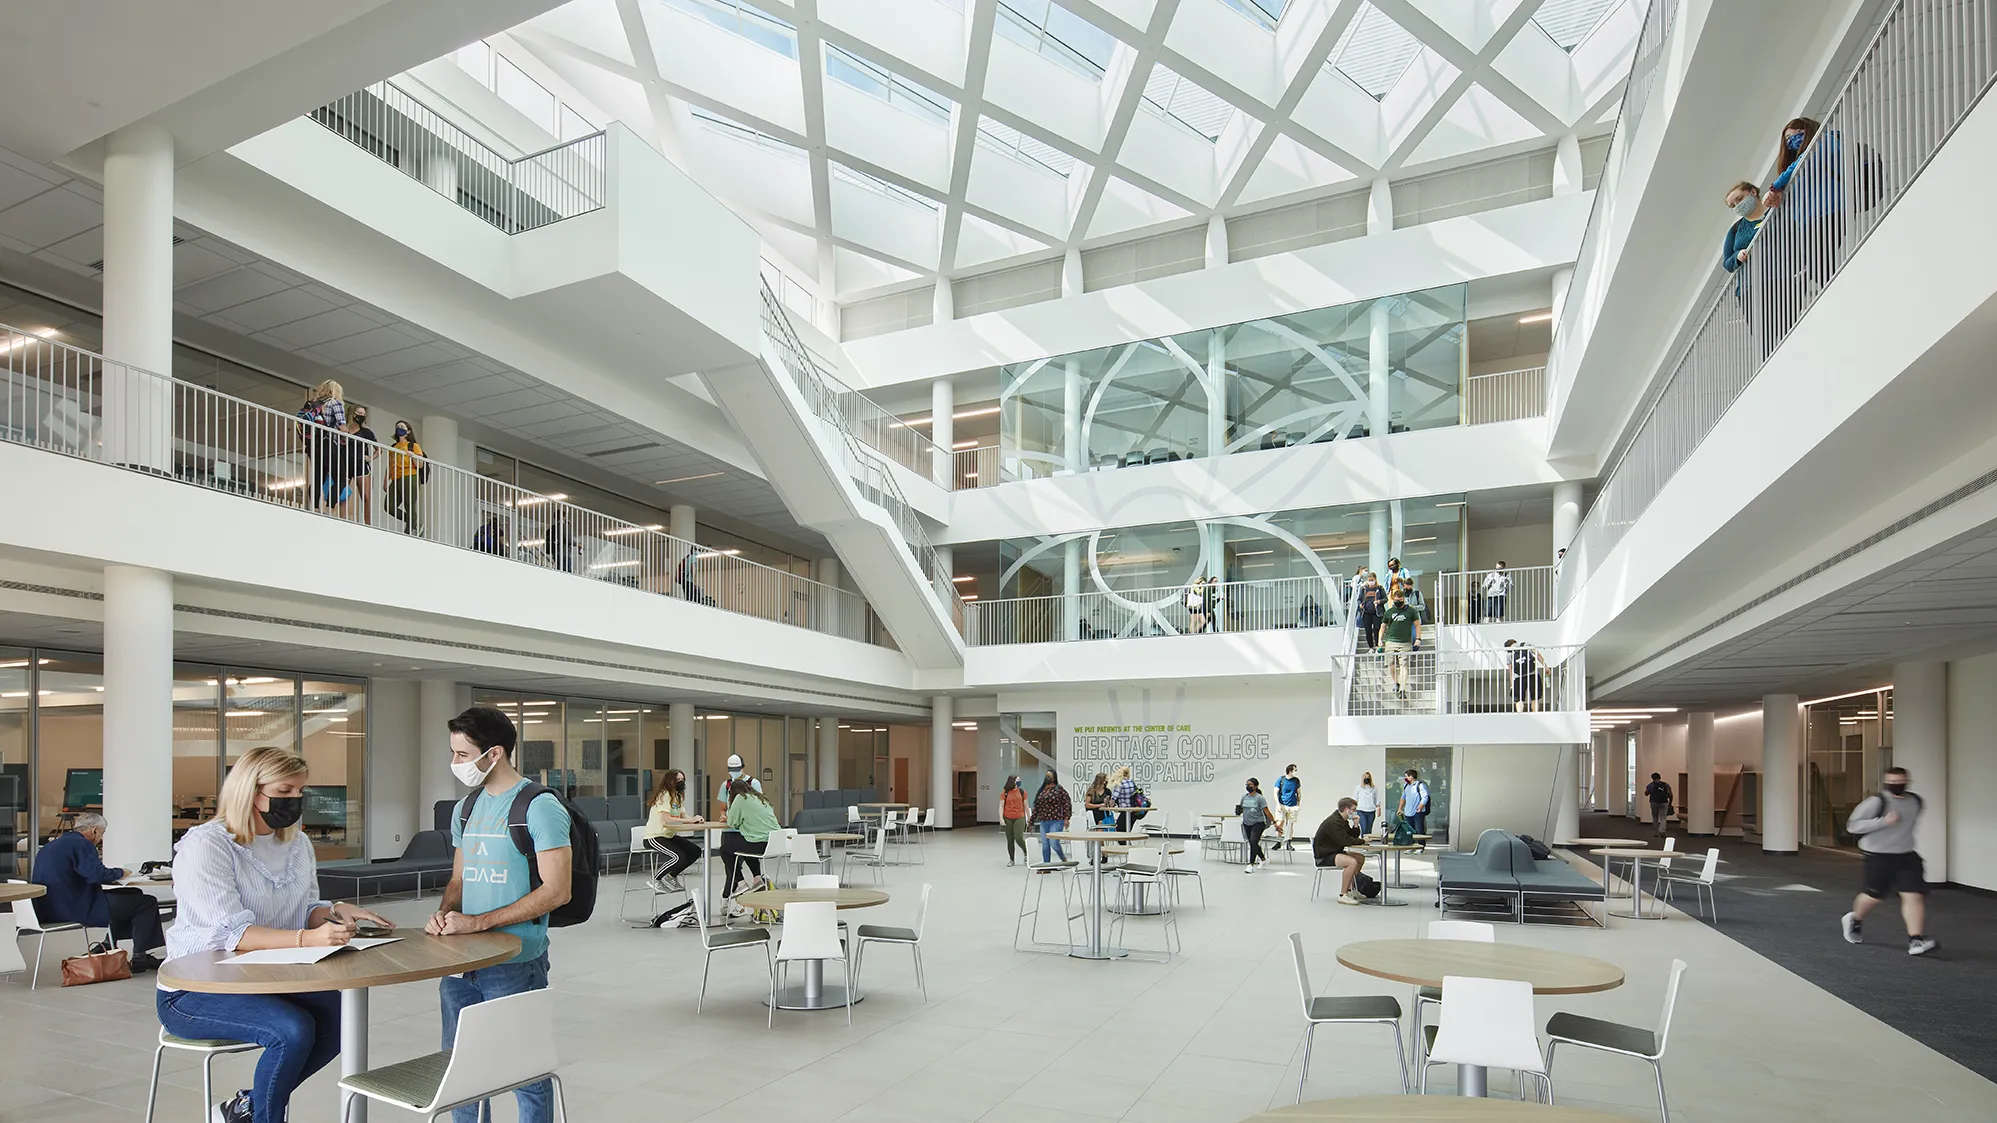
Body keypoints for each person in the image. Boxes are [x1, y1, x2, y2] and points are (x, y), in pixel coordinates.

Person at [158, 746, 392, 1123]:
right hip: (197, 989)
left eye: (300, 792)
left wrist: (333, 912)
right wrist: (307, 940)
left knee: (339, 1016)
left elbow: (303, 909)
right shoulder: (206, 845)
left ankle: (248, 1108)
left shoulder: (296, 843)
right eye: (284, 792)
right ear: (250, 791)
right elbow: (231, 933)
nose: (294, 801)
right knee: (293, 1030)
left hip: (267, 976)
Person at [430, 705, 573, 1123]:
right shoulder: (466, 809)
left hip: (515, 961)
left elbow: (558, 891)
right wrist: (444, 914)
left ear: (494, 754)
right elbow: (459, 880)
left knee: (523, 1074)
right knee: (459, 1071)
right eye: (453, 753)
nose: (455, 764)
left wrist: (479, 923)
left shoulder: (539, 806)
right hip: (460, 960)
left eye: (461, 755)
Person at [30, 812, 168, 971]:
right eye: (102, 833)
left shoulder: (53, 844)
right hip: (72, 907)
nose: (101, 838)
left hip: (50, 906)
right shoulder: (82, 844)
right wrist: (121, 872)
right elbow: (97, 875)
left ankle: (109, 944)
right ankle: (140, 958)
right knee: (147, 902)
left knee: (133, 894)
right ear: (94, 830)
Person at [1842, 767, 1937, 956]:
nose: (1896, 786)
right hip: (1878, 856)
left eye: (1900, 782)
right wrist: (1883, 822)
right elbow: (1852, 826)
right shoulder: (1876, 802)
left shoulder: (1916, 802)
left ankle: (1916, 940)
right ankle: (1855, 919)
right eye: (1891, 783)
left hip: (1906, 856)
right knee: (1873, 895)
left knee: (1913, 895)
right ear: (1885, 783)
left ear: (1907, 782)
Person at [1762, 116, 1848, 291]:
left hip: (1830, 210)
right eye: (1787, 139)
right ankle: (1836, 291)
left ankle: (1839, 292)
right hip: (1808, 220)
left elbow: (1805, 160)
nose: (1793, 140)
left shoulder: (1825, 140)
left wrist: (1776, 186)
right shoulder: (1794, 170)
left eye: (1799, 133)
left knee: (1819, 264)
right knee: (1818, 263)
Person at [720, 777, 777, 915]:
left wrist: (728, 817)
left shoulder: (740, 798)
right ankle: (757, 880)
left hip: (759, 843)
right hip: (775, 843)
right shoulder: (761, 798)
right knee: (745, 846)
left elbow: (733, 822)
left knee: (725, 850)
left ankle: (740, 883)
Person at [642, 769, 702, 897]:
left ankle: (671, 877)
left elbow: (683, 816)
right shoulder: (665, 795)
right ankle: (656, 880)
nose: (681, 782)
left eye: (683, 780)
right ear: (671, 781)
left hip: (668, 836)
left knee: (695, 851)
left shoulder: (678, 796)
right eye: (678, 780)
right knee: (678, 857)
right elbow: (667, 819)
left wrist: (694, 819)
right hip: (655, 836)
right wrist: (690, 821)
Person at [295, 380, 346, 512]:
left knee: (318, 477)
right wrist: (346, 438)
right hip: (328, 443)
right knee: (340, 478)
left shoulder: (314, 403)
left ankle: (316, 508)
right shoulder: (335, 403)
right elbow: (342, 426)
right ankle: (329, 508)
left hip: (313, 444)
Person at [1312, 798, 1367, 905]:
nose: (1355, 812)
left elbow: (1351, 836)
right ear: (1347, 810)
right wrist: (1363, 841)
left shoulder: (1342, 820)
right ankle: (1343, 894)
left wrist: (1356, 825)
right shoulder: (1334, 822)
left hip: (1334, 852)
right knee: (1352, 862)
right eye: (1353, 809)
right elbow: (1345, 840)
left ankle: (1351, 890)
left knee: (1360, 858)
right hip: (1324, 856)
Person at [383, 420, 425, 534]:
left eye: (402, 427)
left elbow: (420, 465)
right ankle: (414, 523)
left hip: (409, 476)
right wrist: (386, 480)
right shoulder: (393, 446)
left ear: (408, 431)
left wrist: (413, 456)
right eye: (397, 427)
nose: (399, 428)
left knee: (409, 504)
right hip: (395, 478)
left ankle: (410, 530)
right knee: (389, 506)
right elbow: (390, 464)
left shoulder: (413, 446)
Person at [1379, 587, 1421, 697]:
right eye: (1396, 600)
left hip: (1405, 642)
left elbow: (1417, 625)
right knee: (1391, 664)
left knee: (1404, 665)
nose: (1398, 602)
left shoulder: (1411, 611)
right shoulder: (1389, 612)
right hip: (1390, 641)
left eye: (1400, 600)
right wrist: (1380, 640)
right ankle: (1396, 682)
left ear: (1404, 600)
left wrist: (1418, 639)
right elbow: (1383, 627)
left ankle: (1402, 689)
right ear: (1393, 600)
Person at [344, 406, 378, 524]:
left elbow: (378, 449)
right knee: (343, 493)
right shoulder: (345, 430)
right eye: (359, 413)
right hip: (346, 463)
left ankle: (368, 523)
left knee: (365, 495)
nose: (361, 416)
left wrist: (370, 458)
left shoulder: (366, 432)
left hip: (361, 465)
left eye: (363, 414)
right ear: (352, 414)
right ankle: (342, 517)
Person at [1031, 770, 1071, 863]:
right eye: (1046, 776)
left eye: (1049, 776)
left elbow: (1066, 803)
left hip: (1056, 820)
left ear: (1054, 778)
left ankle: (1063, 858)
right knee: (1045, 843)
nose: (1047, 778)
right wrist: (1031, 821)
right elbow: (1037, 806)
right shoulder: (1042, 790)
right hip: (1044, 820)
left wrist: (1066, 818)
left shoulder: (1059, 789)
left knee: (1053, 842)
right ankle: (1046, 865)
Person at [1237, 777, 1274, 871]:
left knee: (1253, 841)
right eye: (1247, 785)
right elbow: (1242, 808)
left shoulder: (1259, 798)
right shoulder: (1244, 797)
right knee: (1252, 843)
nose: (1248, 786)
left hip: (1258, 823)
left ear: (1255, 786)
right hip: (1246, 823)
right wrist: (1238, 810)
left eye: (1250, 785)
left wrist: (1274, 822)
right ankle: (1263, 859)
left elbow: (1267, 812)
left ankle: (1251, 864)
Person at [1505, 638, 1544, 712]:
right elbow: (1538, 655)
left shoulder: (1509, 653)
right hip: (1533, 674)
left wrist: (1512, 685)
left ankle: (1520, 714)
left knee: (1519, 699)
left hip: (1518, 677)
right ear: (1515, 642)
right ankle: (1535, 713)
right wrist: (1545, 667)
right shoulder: (1526, 644)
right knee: (1534, 697)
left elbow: (1510, 671)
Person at [1273, 764, 1303, 851]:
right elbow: (1275, 792)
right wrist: (1278, 804)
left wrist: (1298, 803)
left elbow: (1299, 792)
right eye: (1294, 770)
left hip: (1292, 805)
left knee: (1290, 825)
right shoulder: (1281, 780)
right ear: (1290, 770)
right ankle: (1278, 842)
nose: (1295, 772)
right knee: (1279, 824)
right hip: (1282, 804)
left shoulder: (1296, 781)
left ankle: (1289, 843)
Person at [1000, 776, 1028, 865]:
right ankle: (1012, 860)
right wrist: (1001, 818)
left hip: (1020, 816)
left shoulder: (1022, 792)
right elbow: (1001, 806)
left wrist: (1029, 817)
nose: (1019, 782)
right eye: (1017, 780)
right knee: (1010, 839)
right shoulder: (1005, 793)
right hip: (1007, 817)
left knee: (1018, 837)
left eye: (1020, 780)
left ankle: (1026, 853)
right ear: (1012, 782)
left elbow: (1026, 806)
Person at [1399, 768, 1430, 844]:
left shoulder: (1420, 785)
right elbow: (1403, 797)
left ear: (1411, 777)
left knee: (1419, 830)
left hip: (1417, 812)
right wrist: (1400, 808)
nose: (1405, 778)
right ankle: (1410, 845)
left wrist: (1420, 807)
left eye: (1406, 776)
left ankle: (1420, 846)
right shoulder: (1406, 786)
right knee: (1409, 831)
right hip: (1408, 812)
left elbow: (1425, 797)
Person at [1358, 572, 1385, 650]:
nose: (1371, 582)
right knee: (1368, 630)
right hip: (1366, 612)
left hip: (1377, 612)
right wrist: (1360, 604)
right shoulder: (1363, 588)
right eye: (1369, 580)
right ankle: (1370, 646)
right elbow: (1359, 599)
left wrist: (1379, 602)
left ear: (1375, 580)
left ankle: (1377, 645)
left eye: (1372, 580)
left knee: (1377, 628)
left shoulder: (1380, 588)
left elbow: (1385, 599)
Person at [1643, 772, 1674, 837]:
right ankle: (1662, 830)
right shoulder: (1666, 785)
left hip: (1654, 803)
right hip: (1664, 803)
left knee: (1655, 817)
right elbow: (1670, 794)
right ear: (1660, 777)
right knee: (1663, 818)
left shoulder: (1651, 785)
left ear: (1652, 778)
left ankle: (1656, 832)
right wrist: (1670, 803)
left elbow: (1646, 793)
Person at [1353, 771, 1380, 836]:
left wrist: (1378, 808)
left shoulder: (1374, 788)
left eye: (1368, 778)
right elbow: (1355, 799)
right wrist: (1353, 810)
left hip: (1371, 811)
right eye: (1365, 777)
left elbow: (1376, 799)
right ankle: (1363, 842)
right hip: (1361, 810)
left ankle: (1368, 843)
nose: (1367, 779)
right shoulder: (1358, 788)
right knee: (1364, 828)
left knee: (1369, 829)